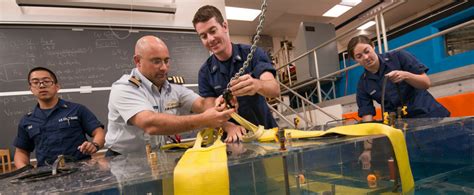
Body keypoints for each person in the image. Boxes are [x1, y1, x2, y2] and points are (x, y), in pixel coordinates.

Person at [105, 35, 234, 156]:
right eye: (156, 62)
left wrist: (221, 103)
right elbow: (150, 124)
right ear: (138, 61)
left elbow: (201, 104)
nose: (164, 68)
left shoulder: (172, 87)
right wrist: (204, 120)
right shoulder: (125, 88)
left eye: (166, 61)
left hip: (157, 155)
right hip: (122, 160)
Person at [347, 35, 450, 170]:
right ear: (355, 60)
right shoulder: (363, 84)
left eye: (367, 51)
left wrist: (406, 75)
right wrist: (367, 149)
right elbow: (367, 118)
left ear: (373, 46)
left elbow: (425, 83)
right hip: (404, 130)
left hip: (430, 117)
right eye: (359, 56)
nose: (365, 57)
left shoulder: (398, 57)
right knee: (421, 167)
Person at [192, 5, 281, 142]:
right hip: (233, 142)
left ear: (225, 26)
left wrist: (257, 85)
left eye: (213, 31)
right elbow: (210, 111)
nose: (210, 39)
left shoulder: (253, 53)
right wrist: (228, 126)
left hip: (265, 134)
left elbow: (274, 89)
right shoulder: (205, 72)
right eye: (203, 36)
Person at [13, 67, 105, 168]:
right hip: (46, 174)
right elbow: (21, 151)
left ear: (57, 86)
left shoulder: (77, 110)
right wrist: (25, 170)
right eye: (35, 82)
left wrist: (95, 145)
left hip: (81, 169)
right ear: (31, 89)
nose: (41, 85)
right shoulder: (27, 120)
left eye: (46, 81)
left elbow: (98, 132)